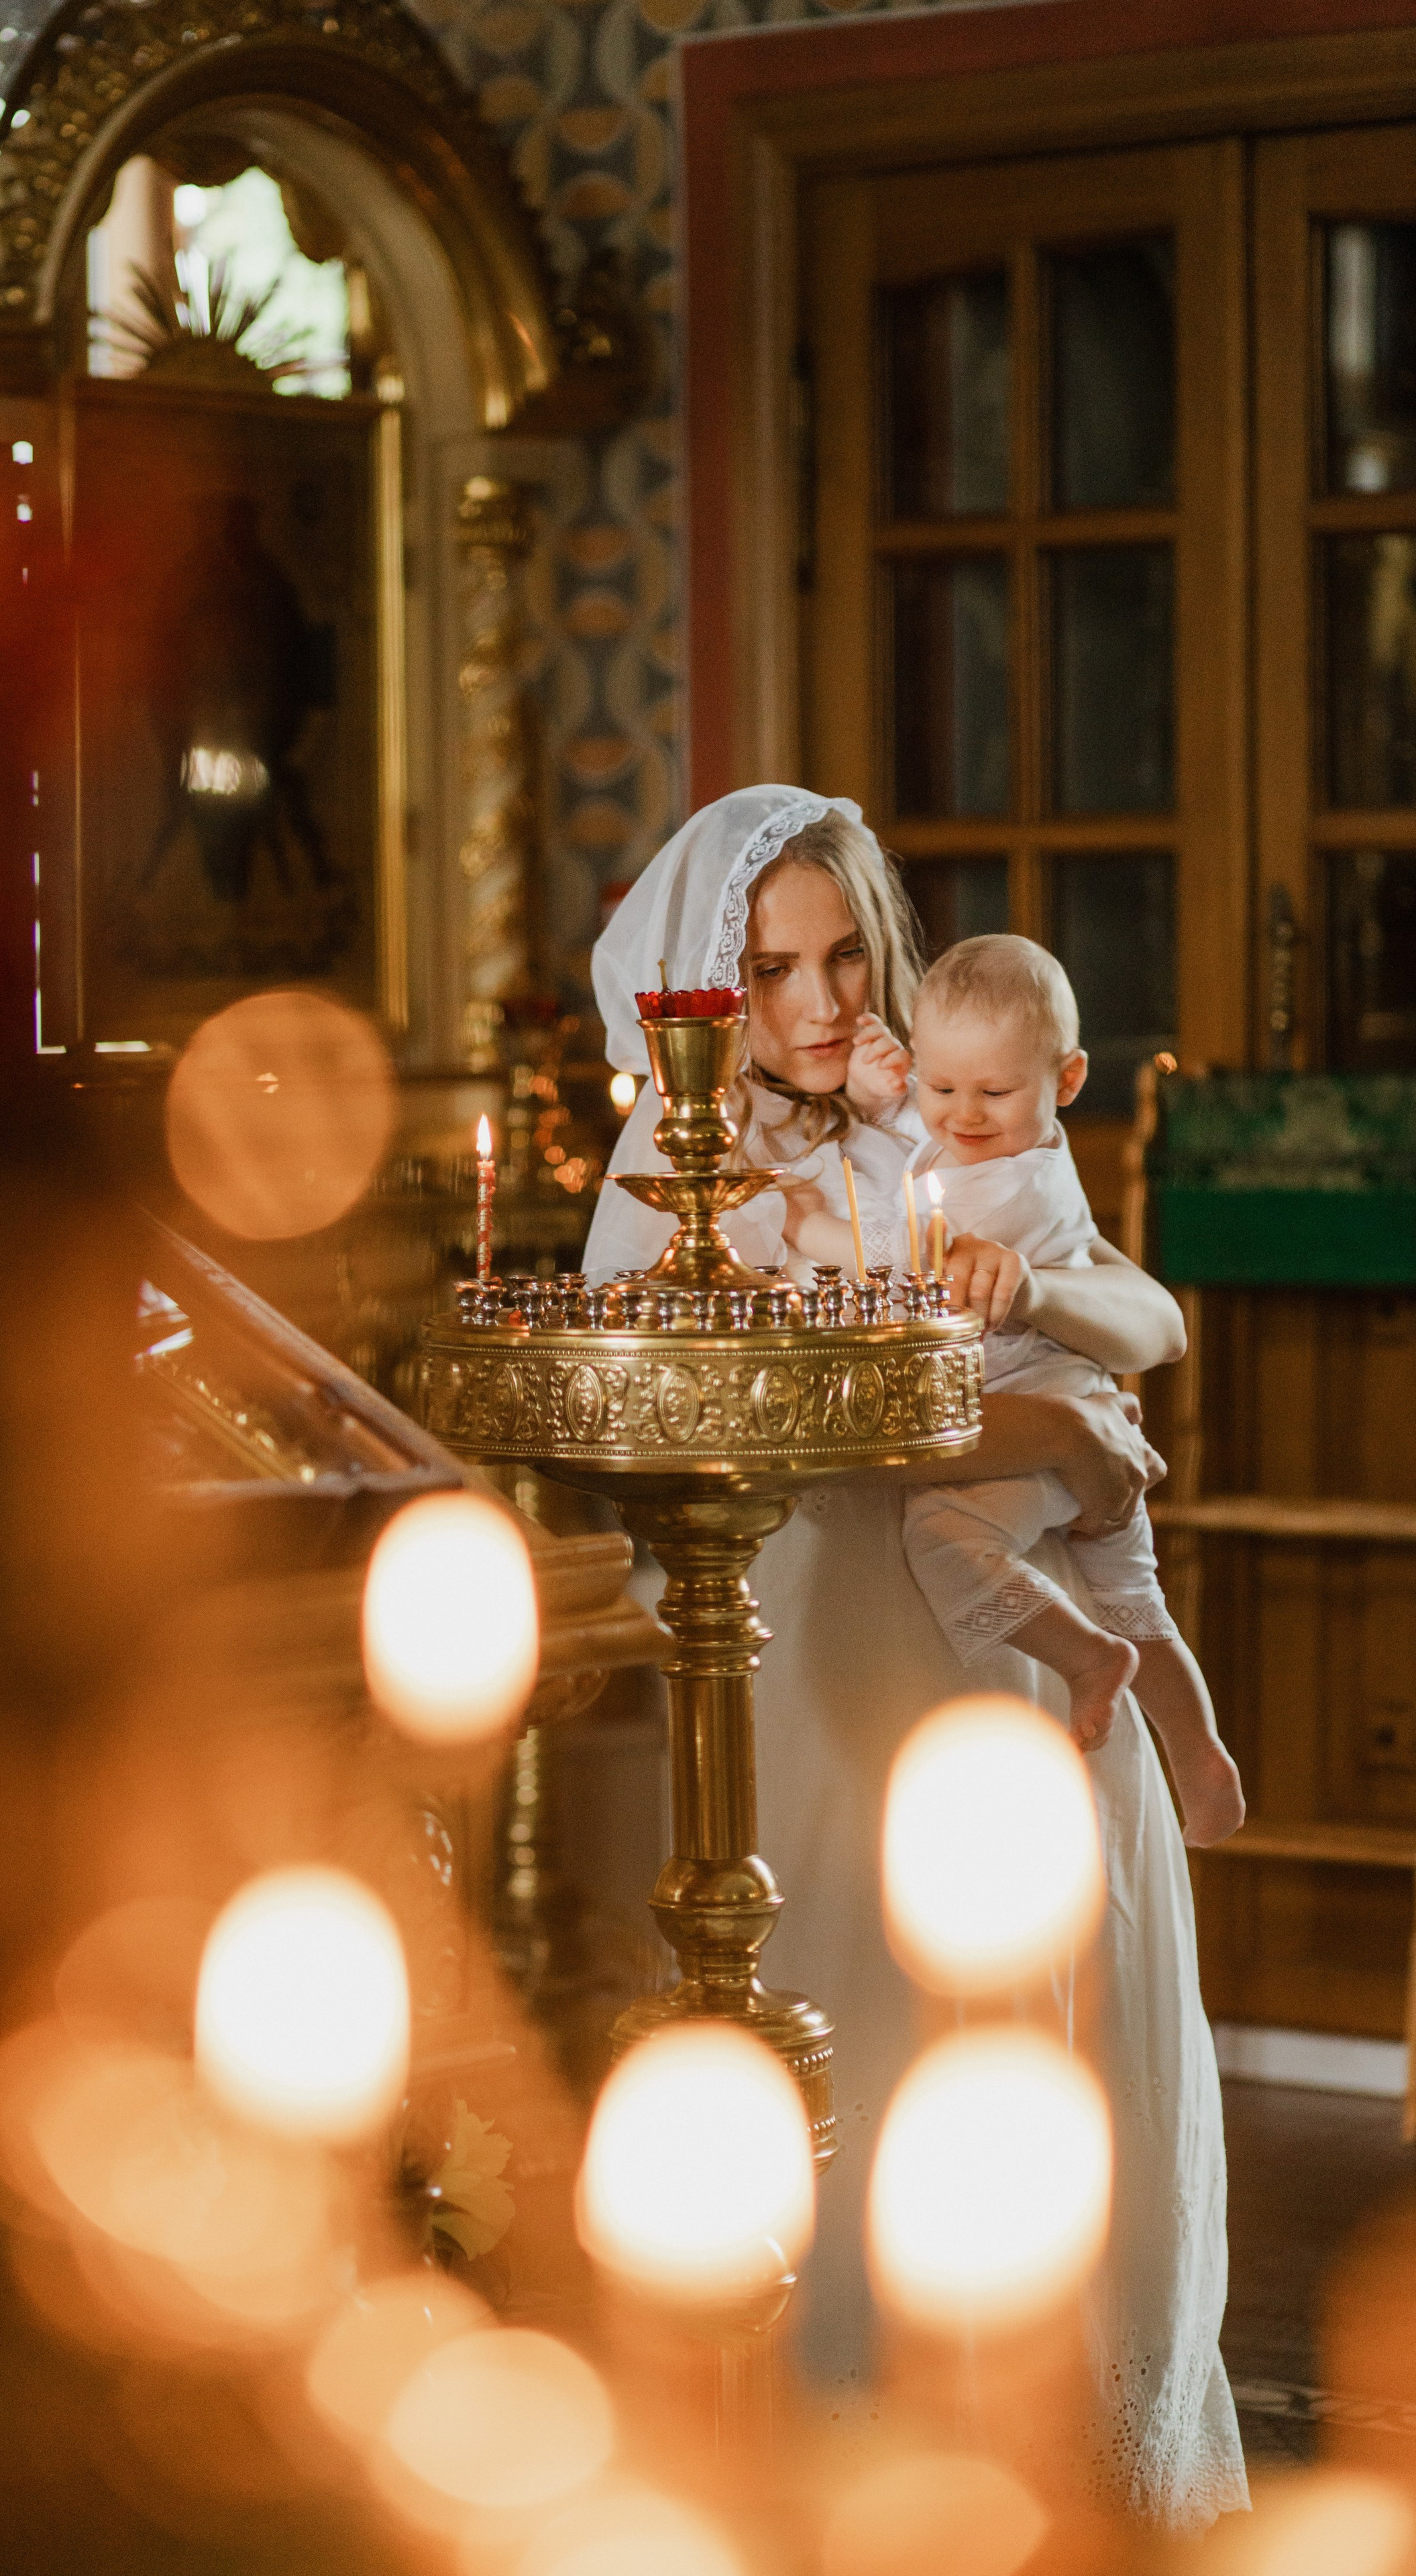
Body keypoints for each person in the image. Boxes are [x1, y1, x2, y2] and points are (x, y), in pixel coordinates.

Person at [586, 785, 1249, 2531]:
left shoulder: (936, 1121)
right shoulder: (675, 1180)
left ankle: (1067, 2477)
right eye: (769, 970)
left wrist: (1046, 1327)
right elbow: (788, 1435)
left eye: (843, 955)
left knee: (1036, 2043)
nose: (818, 1002)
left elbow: (1141, 1313)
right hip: (815, 1655)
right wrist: (1054, 1433)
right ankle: (846, 2470)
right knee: (863, 2040)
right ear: (698, 992)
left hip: (999, 1660)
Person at [783, 932, 1246, 1847]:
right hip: (1074, 1410)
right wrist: (891, 1096)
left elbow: (902, 1252)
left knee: (944, 1539)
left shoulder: (1014, 1191)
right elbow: (943, 1145)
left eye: (993, 1093)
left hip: (1036, 1423)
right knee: (1134, 1595)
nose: (962, 1116)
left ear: (1068, 1081)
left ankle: (1088, 1661)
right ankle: (1199, 1753)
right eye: (941, 1087)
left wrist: (809, 1228)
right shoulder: (999, 1144)